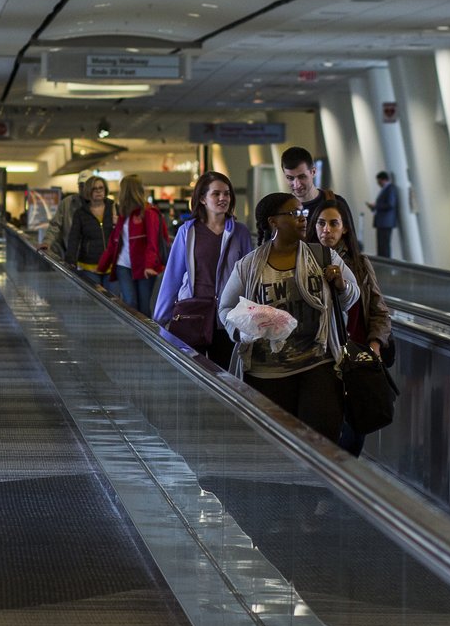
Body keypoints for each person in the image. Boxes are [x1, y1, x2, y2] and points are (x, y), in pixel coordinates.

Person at [218, 192, 358, 443]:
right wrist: (243, 329)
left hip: (318, 366)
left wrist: (341, 285)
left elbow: (351, 297)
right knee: (276, 448)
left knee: (320, 443)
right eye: (294, 214)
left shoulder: (323, 256)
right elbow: (226, 309)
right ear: (274, 222)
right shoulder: (248, 266)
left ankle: (316, 484)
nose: (303, 219)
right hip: (266, 374)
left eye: (303, 213)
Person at [308, 195, 392, 455]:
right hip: (320, 361)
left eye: (334, 224)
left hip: (356, 362)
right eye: (321, 223)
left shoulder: (359, 263)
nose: (327, 230)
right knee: (323, 431)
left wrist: (374, 346)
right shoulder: (304, 261)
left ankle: (341, 489)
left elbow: (379, 311)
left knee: (355, 434)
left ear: (345, 227)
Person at [153, 171, 253, 367]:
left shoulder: (239, 232)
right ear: (202, 199)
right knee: (191, 371)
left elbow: (249, 276)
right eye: (216, 194)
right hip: (193, 313)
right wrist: (159, 320)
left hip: (227, 316)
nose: (223, 198)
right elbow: (172, 277)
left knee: (226, 375)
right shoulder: (187, 232)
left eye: (227, 194)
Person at [97, 174, 165, 316]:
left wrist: (149, 265)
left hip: (144, 267)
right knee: (130, 303)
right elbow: (113, 243)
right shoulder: (123, 215)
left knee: (144, 307)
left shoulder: (149, 213)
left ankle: (145, 337)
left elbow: (152, 242)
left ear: (126, 191)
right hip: (124, 266)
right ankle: (134, 337)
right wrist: (102, 267)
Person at [64, 176, 115, 289]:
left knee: (114, 301)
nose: (98, 191)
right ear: (88, 192)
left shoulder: (114, 208)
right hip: (90, 266)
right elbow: (74, 238)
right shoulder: (80, 213)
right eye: (94, 189)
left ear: (105, 190)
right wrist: (70, 260)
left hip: (112, 265)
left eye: (101, 188)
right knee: (95, 301)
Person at [280, 146, 346, 220]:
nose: (297, 185)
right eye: (290, 178)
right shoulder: (281, 209)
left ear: (313, 172)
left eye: (302, 177)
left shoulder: (337, 202)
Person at [366, 170, 398, 258]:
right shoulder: (385, 189)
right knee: (381, 245)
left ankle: (386, 264)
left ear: (383, 180)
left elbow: (390, 204)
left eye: (379, 181)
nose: (378, 183)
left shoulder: (390, 188)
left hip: (386, 222)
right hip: (382, 222)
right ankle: (383, 262)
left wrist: (376, 205)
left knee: (384, 245)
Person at [46, 183, 83, 258]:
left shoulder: (103, 205)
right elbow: (55, 225)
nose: (83, 188)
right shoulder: (67, 203)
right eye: (81, 185)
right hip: (72, 252)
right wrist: (47, 242)